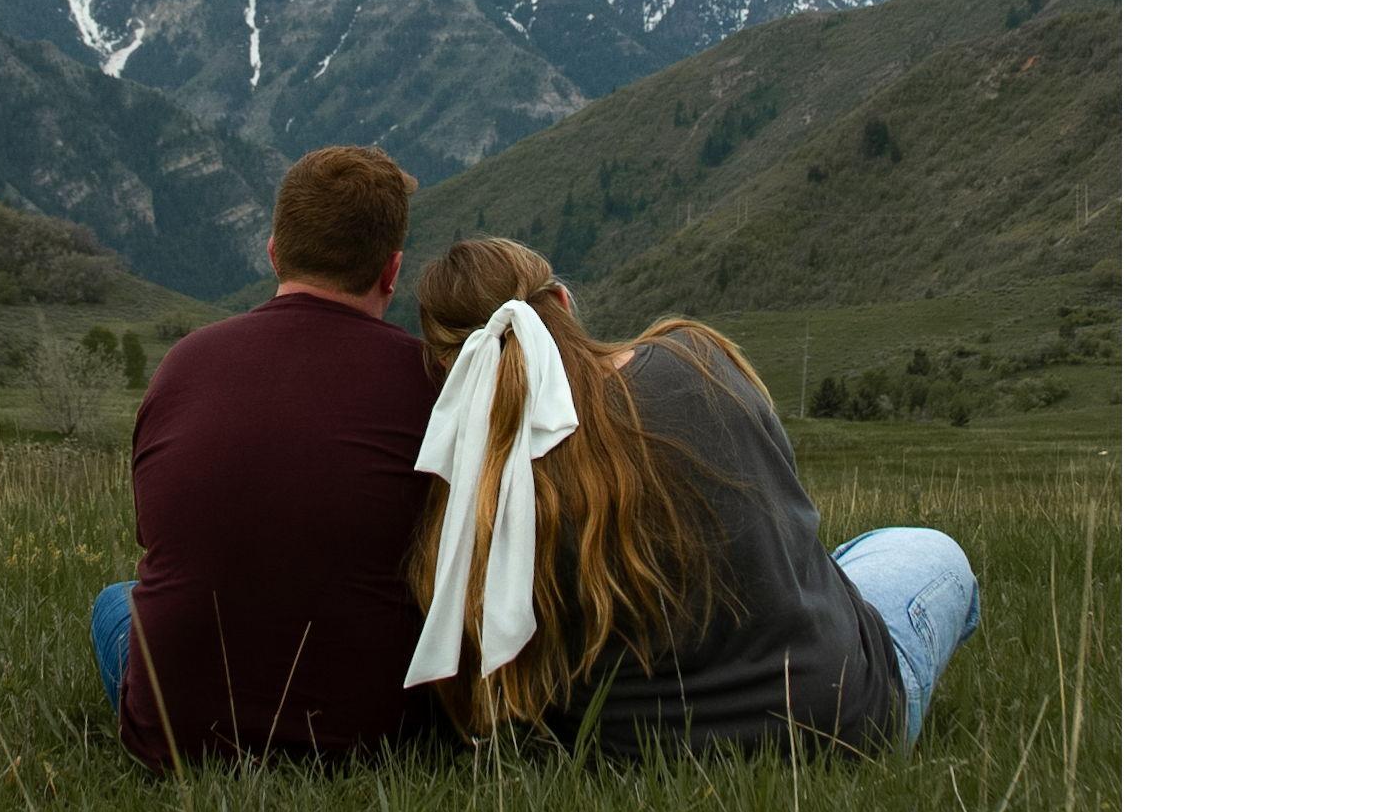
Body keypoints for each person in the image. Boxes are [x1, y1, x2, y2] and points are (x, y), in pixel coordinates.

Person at [404, 236, 979, 756]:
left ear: (447, 369)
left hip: (624, 755)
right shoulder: (694, 360)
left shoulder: (473, 494)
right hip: (838, 723)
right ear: (562, 302)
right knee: (924, 552)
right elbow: (787, 520)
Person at [90, 145, 439, 771]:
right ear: (392, 271)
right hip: (370, 739)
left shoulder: (184, 364)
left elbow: (157, 538)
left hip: (177, 738)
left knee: (116, 600)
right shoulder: (429, 382)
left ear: (274, 252)